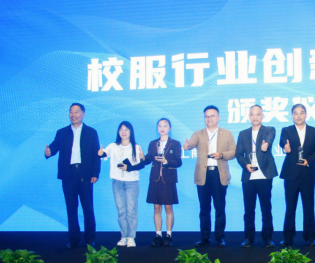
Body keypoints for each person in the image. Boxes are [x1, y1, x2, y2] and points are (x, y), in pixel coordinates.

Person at [45, 103, 100, 249]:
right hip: (68, 174)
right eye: (71, 112)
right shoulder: (61, 132)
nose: (73, 115)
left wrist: (95, 173)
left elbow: (96, 154)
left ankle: (90, 239)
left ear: (83, 114)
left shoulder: (91, 132)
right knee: (71, 208)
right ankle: (74, 239)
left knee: (88, 208)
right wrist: (48, 152)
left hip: (85, 174)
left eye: (76, 112)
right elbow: (53, 147)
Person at [183, 105, 236, 247]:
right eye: (206, 116)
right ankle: (204, 237)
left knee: (220, 208)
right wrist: (187, 146)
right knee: (204, 208)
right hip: (203, 175)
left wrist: (221, 155)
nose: (209, 118)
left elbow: (233, 152)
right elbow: (190, 143)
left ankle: (220, 237)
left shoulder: (227, 133)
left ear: (218, 117)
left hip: (219, 174)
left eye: (212, 116)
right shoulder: (198, 133)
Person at [278, 104, 315, 247]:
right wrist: (286, 148)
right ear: (292, 116)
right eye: (296, 113)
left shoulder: (314, 131)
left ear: (306, 115)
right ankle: (287, 237)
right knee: (290, 207)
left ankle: (310, 237)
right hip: (290, 175)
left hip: (307, 175)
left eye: (301, 113)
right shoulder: (286, 130)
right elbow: (282, 142)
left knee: (309, 207)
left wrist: (308, 160)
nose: (298, 116)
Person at [236, 105, 278, 248]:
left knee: (266, 209)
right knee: (249, 210)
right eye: (252, 114)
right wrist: (245, 164)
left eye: (258, 114)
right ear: (249, 116)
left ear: (262, 116)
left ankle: (268, 238)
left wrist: (266, 145)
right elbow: (238, 154)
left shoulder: (269, 130)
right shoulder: (243, 134)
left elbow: (269, 139)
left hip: (264, 175)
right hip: (249, 176)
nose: (255, 117)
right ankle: (249, 238)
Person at [97, 121, 144, 248]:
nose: (123, 132)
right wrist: (100, 153)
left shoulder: (136, 147)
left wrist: (142, 158)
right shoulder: (113, 146)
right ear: (118, 132)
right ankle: (123, 236)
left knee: (131, 211)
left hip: (132, 182)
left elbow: (141, 165)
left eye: (126, 129)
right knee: (121, 211)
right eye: (121, 129)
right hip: (117, 182)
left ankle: (131, 237)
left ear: (130, 132)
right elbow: (104, 154)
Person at [142, 118, 183, 247]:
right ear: (157, 128)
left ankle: (168, 235)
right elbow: (148, 159)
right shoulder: (153, 143)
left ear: (170, 128)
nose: (162, 128)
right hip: (155, 179)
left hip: (168, 180)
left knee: (168, 208)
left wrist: (166, 161)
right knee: (156, 208)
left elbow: (178, 162)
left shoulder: (175, 144)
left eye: (165, 126)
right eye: (160, 126)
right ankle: (158, 235)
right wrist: (142, 158)